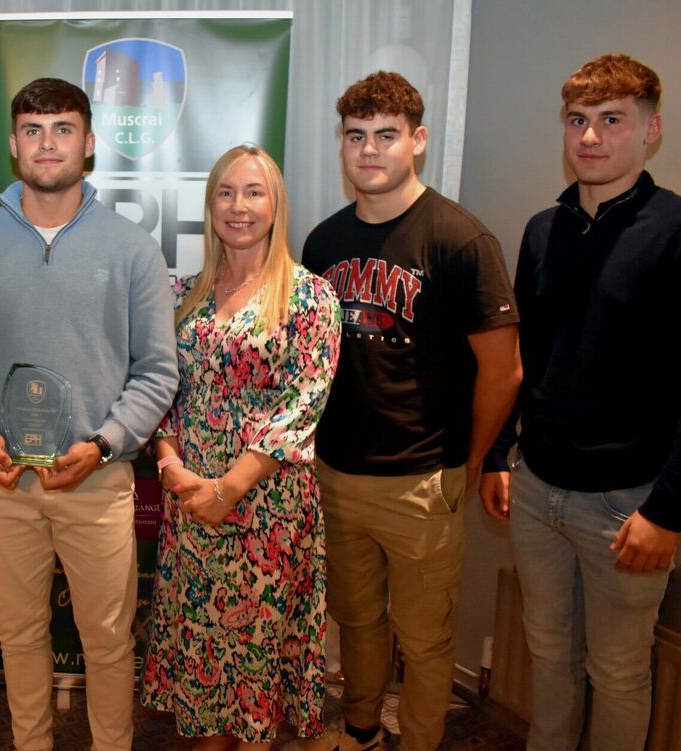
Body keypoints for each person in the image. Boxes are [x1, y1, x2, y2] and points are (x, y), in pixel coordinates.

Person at [0, 77, 178, 750]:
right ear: (13, 145)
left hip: (98, 477)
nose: (48, 143)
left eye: (63, 129)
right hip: (4, 480)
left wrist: (104, 444)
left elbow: (157, 370)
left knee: (108, 639)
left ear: (88, 142)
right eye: (33, 130)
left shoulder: (133, 248)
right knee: (17, 633)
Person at [297, 71, 522, 751]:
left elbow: (504, 370)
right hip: (338, 472)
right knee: (357, 620)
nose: (369, 150)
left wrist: (471, 457)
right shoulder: (324, 242)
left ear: (418, 140)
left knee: (425, 639)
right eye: (356, 136)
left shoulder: (461, 239)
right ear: (342, 142)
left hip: (422, 479)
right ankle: (361, 728)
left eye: (386, 135)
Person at [481, 53, 679, 751]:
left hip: (628, 503)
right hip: (537, 488)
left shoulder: (674, 230)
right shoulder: (544, 229)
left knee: (619, 673)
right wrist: (498, 453)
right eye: (577, 120)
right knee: (548, 654)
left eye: (612, 120)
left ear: (651, 129)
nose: (590, 137)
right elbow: (523, 356)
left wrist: (667, 511)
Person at [140, 144, 341, 750]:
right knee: (203, 668)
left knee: (255, 672)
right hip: (191, 506)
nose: (239, 206)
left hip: (265, 511)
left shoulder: (309, 297)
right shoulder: (181, 295)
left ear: (275, 204)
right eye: (226, 193)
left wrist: (226, 490)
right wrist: (172, 467)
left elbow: (302, 406)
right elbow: (159, 388)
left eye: (254, 192)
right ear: (210, 206)